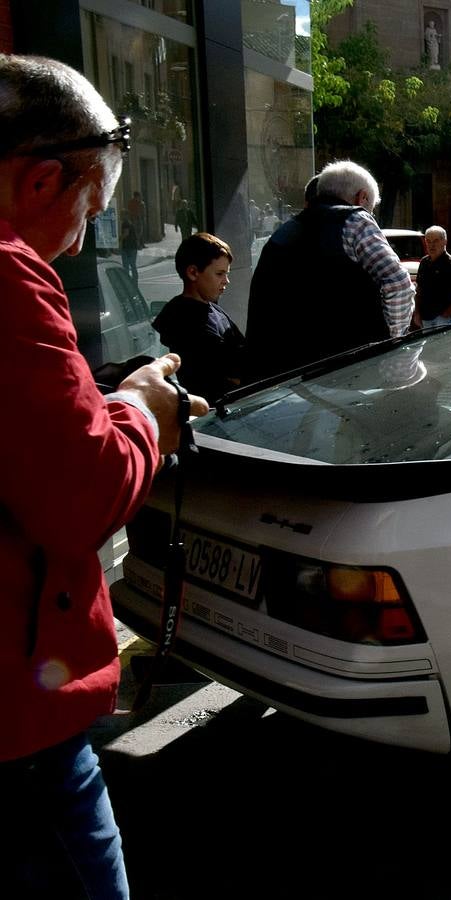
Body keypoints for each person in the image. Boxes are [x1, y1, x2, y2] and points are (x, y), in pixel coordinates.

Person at [0, 53, 208, 898]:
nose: (83, 240)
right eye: (92, 207)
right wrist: (141, 409)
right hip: (17, 717)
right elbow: (79, 495)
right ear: (44, 180)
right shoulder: (9, 274)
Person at [244, 159, 414, 380]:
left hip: (288, 376)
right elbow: (397, 284)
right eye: (370, 207)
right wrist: (392, 345)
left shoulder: (283, 232)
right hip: (349, 371)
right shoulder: (356, 220)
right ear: (361, 197)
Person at [152, 232, 246, 402]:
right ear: (193, 272)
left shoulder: (210, 308)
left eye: (227, 274)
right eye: (219, 274)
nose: (226, 281)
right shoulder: (188, 321)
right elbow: (233, 373)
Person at [415, 225, 451, 328]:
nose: (432, 245)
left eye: (436, 241)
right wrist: (417, 313)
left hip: (444, 320)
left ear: (444, 241)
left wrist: (448, 313)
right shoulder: (424, 262)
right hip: (426, 318)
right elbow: (419, 290)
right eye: (428, 241)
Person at [119, 217, 140, 285]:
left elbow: (126, 233)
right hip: (133, 247)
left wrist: (118, 239)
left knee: (126, 266)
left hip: (127, 248)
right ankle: (135, 281)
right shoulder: (131, 223)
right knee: (133, 265)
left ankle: (127, 283)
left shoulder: (125, 223)